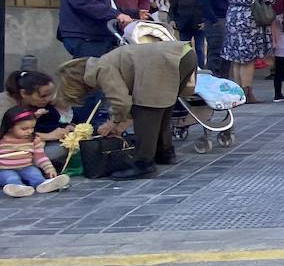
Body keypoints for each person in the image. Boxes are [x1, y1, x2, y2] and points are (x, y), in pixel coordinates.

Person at [55, 39, 198, 179]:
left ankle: (144, 163)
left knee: (146, 109)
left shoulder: (101, 69)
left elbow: (121, 101)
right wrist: (120, 121)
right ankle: (164, 153)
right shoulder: (105, 61)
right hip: (183, 54)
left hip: (167, 59)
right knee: (162, 107)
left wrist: (114, 122)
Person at [220, 0, 272, 104]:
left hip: (232, 16)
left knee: (236, 57)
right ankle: (247, 92)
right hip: (249, 18)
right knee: (248, 58)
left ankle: (237, 91)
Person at [0, 106, 70, 197]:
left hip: (26, 167)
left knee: (34, 174)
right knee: (10, 177)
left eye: (32, 128)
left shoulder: (33, 140)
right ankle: (18, 188)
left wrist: (49, 168)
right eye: (24, 129)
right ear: (10, 127)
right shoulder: (2, 140)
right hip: (4, 169)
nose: (29, 131)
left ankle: (43, 184)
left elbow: (40, 156)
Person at [5, 71, 67, 164]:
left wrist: (67, 127)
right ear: (24, 93)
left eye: (50, 94)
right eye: (43, 96)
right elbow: (6, 134)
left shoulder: (40, 105)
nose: (48, 99)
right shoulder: (6, 104)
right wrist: (48, 136)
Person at [198, 0, 232, 78]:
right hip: (217, 19)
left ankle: (223, 79)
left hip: (224, 18)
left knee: (225, 54)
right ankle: (214, 80)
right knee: (217, 53)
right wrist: (213, 20)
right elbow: (204, 0)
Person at [170, 0, 206, 67]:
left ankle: (201, 69)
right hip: (184, 26)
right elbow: (172, 9)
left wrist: (206, 22)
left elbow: (209, 9)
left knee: (199, 49)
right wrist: (172, 20)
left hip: (199, 27)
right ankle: (185, 68)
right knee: (184, 48)